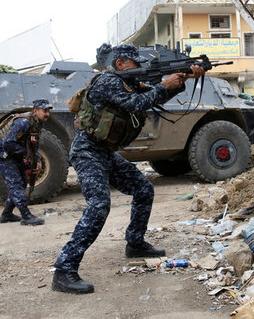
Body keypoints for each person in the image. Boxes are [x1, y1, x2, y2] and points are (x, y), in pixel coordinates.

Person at [52, 44, 205, 294]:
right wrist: (165, 85)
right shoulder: (108, 82)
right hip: (87, 150)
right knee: (99, 205)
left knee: (143, 189)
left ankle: (135, 243)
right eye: (135, 63)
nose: (140, 67)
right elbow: (137, 104)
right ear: (121, 63)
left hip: (105, 152)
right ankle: (64, 270)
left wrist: (182, 79)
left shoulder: (128, 83)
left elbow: (151, 98)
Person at [0, 99, 52, 226]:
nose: (47, 114)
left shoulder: (37, 123)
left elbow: (34, 145)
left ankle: (7, 214)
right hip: (3, 153)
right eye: (44, 111)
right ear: (35, 111)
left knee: (22, 182)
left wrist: (37, 159)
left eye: (48, 111)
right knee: (16, 184)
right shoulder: (23, 122)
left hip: (13, 153)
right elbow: (8, 143)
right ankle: (26, 216)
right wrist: (26, 153)